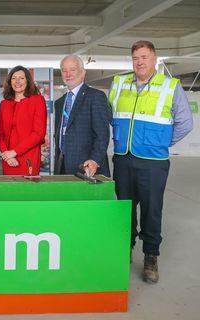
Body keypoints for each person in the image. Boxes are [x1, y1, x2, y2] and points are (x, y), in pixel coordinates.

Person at [109, 40, 193, 283]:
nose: (140, 62)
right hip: (124, 159)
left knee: (151, 210)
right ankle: (124, 249)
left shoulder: (169, 86)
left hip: (153, 162)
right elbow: (110, 116)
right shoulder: (120, 84)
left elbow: (185, 123)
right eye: (136, 58)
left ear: (154, 59)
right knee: (124, 208)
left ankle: (150, 256)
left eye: (144, 57)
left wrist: (161, 142)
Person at [54, 54, 112, 177]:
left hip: (87, 168)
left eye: (72, 70)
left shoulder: (96, 97)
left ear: (83, 72)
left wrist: (94, 160)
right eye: (64, 71)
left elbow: (102, 134)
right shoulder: (59, 103)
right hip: (62, 166)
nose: (68, 74)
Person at [0, 65, 47, 175]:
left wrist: (14, 152)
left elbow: (38, 133)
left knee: (28, 190)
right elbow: (0, 134)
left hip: (29, 156)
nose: (17, 81)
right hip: (8, 159)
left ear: (28, 81)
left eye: (21, 78)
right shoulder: (4, 104)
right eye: (14, 78)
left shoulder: (38, 100)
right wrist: (6, 154)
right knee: (9, 190)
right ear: (10, 82)